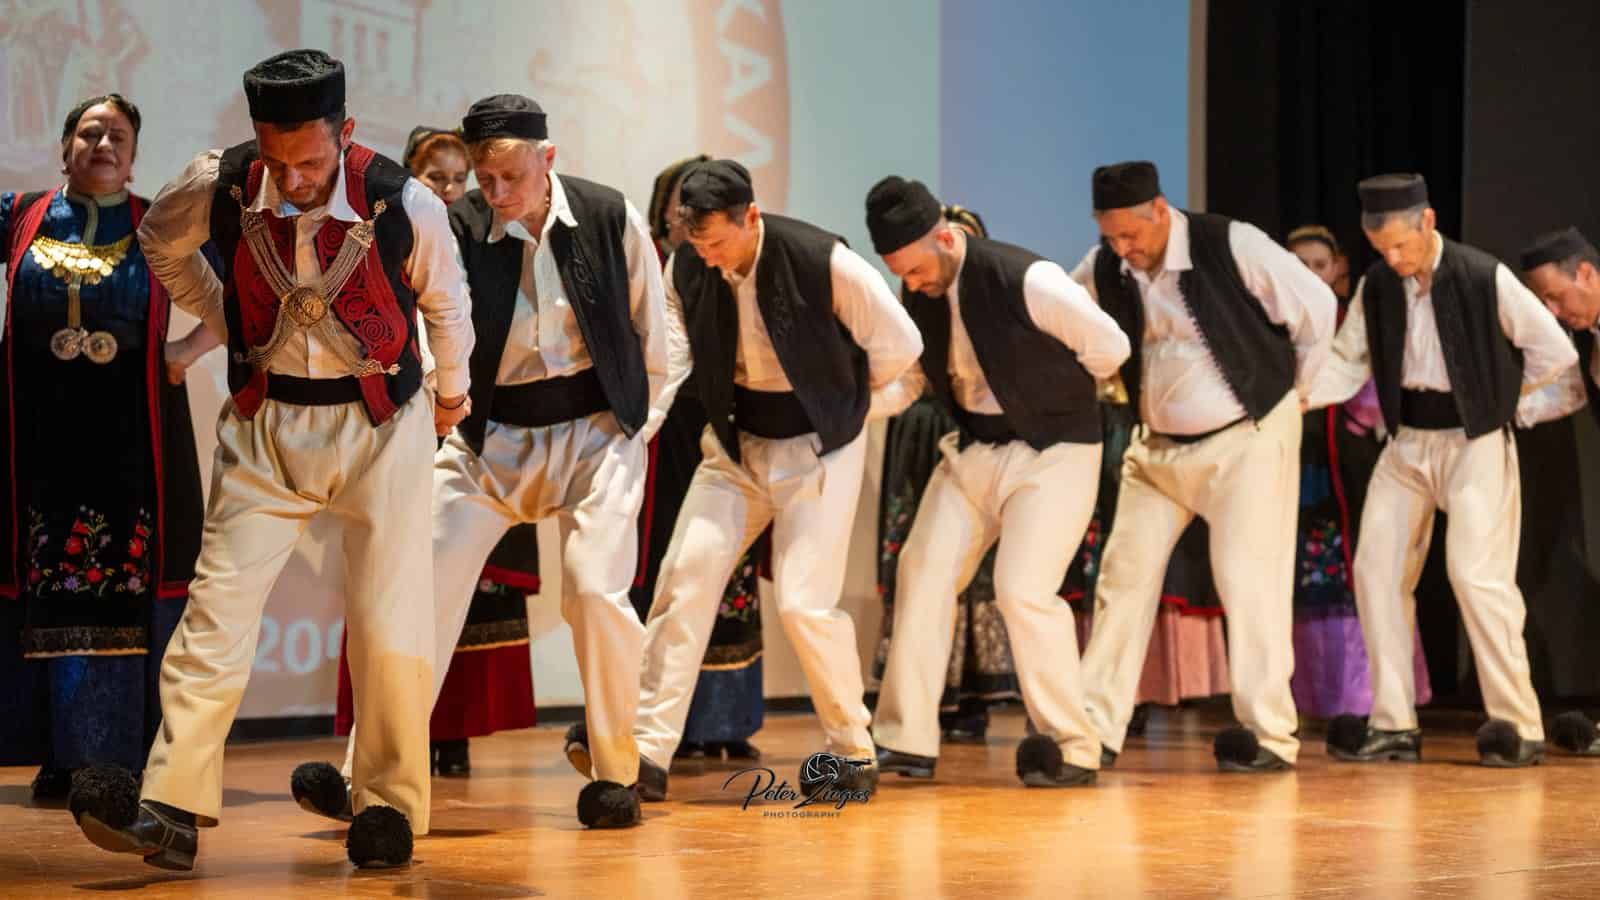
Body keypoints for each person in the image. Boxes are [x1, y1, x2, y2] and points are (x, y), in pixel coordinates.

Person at [68, 49, 475, 870]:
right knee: (216, 610)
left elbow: (447, 304)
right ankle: (173, 805)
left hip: (381, 423)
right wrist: (226, 314)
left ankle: (388, 809)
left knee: (391, 619)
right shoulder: (218, 182)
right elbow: (159, 241)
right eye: (276, 160)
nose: (292, 180)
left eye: (310, 162)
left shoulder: (407, 201)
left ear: (344, 131)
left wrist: (452, 396)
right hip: (265, 421)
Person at [300, 94, 687, 831]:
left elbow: (656, 328)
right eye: (486, 178)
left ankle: (617, 774)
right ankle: (365, 778)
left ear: (549, 159)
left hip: (597, 434)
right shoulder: (459, 227)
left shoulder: (609, 215)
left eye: (512, 176)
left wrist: (638, 426)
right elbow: (432, 327)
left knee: (595, 592)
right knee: (420, 592)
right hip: (490, 439)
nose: (498, 192)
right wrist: (441, 416)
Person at [567, 159, 922, 800]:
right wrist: (635, 432)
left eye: (716, 240)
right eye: (695, 241)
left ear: (750, 216)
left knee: (804, 603)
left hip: (819, 447)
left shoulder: (823, 260)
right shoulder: (686, 266)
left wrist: (841, 402)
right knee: (684, 580)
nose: (706, 254)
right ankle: (645, 750)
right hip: (736, 447)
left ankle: (853, 749)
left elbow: (900, 345)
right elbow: (673, 357)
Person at [1071, 160, 1336, 772]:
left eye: (1131, 234)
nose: (1122, 247)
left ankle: (1269, 734)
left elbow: (1317, 309)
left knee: (1250, 582)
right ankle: (1093, 728)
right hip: (1156, 450)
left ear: (1161, 211)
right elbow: (1066, 312)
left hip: (1245, 440)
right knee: (1122, 579)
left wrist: (1297, 392)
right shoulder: (1106, 265)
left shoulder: (1230, 243)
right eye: (1110, 236)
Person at [865, 175, 1129, 786]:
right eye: (900, 274)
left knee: (1022, 590)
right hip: (974, 449)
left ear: (945, 238)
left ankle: (1072, 745)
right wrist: (848, 411)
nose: (911, 284)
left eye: (915, 269)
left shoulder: (1027, 277)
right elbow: (914, 379)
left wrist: (1048, 393)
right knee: (922, 573)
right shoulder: (921, 290)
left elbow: (1110, 347)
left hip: (1054, 451)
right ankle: (906, 739)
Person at [1310, 174, 1575, 767]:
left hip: (1472, 439)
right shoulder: (1379, 285)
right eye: (1381, 248)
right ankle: (1393, 722)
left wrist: (1499, 397)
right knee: (1375, 571)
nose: (1393, 258)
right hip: (1406, 441)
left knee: (1476, 577)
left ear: (1427, 222)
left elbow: (1555, 352)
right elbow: (1348, 361)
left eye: (1400, 245)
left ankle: (1517, 723)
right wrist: (1297, 397)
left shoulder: (1483, 275)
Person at [0, 93, 208, 801]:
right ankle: (53, 754)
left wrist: (185, 351)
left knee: (124, 587)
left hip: (132, 446)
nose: (103, 144)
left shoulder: (160, 226)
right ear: (65, 147)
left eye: (118, 135)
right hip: (36, 443)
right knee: (42, 584)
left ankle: (116, 759)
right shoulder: (21, 216)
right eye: (90, 132)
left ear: (134, 155)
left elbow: (243, 291)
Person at [327, 125, 540, 779]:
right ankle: (379, 751)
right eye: (434, 177)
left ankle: (453, 734)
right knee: (397, 589)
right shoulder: (383, 241)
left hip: (467, 437)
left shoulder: (488, 246)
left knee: (458, 594)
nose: (449, 190)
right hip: (399, 431)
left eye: (458, 179)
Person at [630, 154, 766, 765]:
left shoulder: (738, 266)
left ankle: (725, 719)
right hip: (666, 436)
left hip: (723, 426)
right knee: (671, 571)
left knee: (728, 572)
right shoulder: (655, 266)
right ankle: (658, 725)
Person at [874, 203, 1026, 746]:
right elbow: (906, 372)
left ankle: (981, 696)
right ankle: (909, 727)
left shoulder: (1010, 293)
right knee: (920, 566)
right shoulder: (920, 302)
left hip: (997, 439)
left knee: (999, 578)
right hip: (930, 434)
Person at [1284, 224, 1432, 719]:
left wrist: (1358, 415)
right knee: (1299, 579)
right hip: (1292, 464)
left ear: (1338, 270)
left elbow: (1376, 381)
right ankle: (1306, 695)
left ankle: (1363, 697)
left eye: (1319, 265)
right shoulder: (1272, 324)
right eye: (1299, 265)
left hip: (1350, 463)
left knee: (1361, 574)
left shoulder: (1356, 317)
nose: (1310, 274)